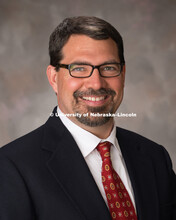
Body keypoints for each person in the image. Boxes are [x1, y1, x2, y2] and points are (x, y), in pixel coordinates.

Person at [0, 16, 175, 220]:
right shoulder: (11, 167)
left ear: (123, 74)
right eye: (80, 68)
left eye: (108, 67)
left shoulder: (155, 157)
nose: (96, 83)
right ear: (54, 78)